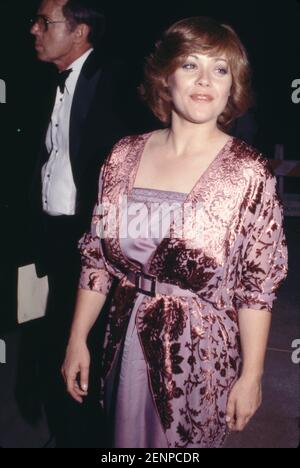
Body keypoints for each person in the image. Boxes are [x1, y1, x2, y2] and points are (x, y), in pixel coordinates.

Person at [62, 17, 288, 448]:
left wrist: (252, 375)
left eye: (220, 69)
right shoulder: (122, 156)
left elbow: (257, 287)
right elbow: (97, 259)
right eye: (190, 65)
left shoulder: (248, 173)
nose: (205, 80)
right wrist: (77, 338)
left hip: (198, 356)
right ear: (165, 77)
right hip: (122, 338)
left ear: (232, 85)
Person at [30, 0, 131, 447]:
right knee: (58, 339)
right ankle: (68, 431)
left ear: (79, 31)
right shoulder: (47, 84)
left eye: (44, 22)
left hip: (94, 242)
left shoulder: (115, 83)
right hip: (55, 236)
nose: (33, 29)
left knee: (89, 345)